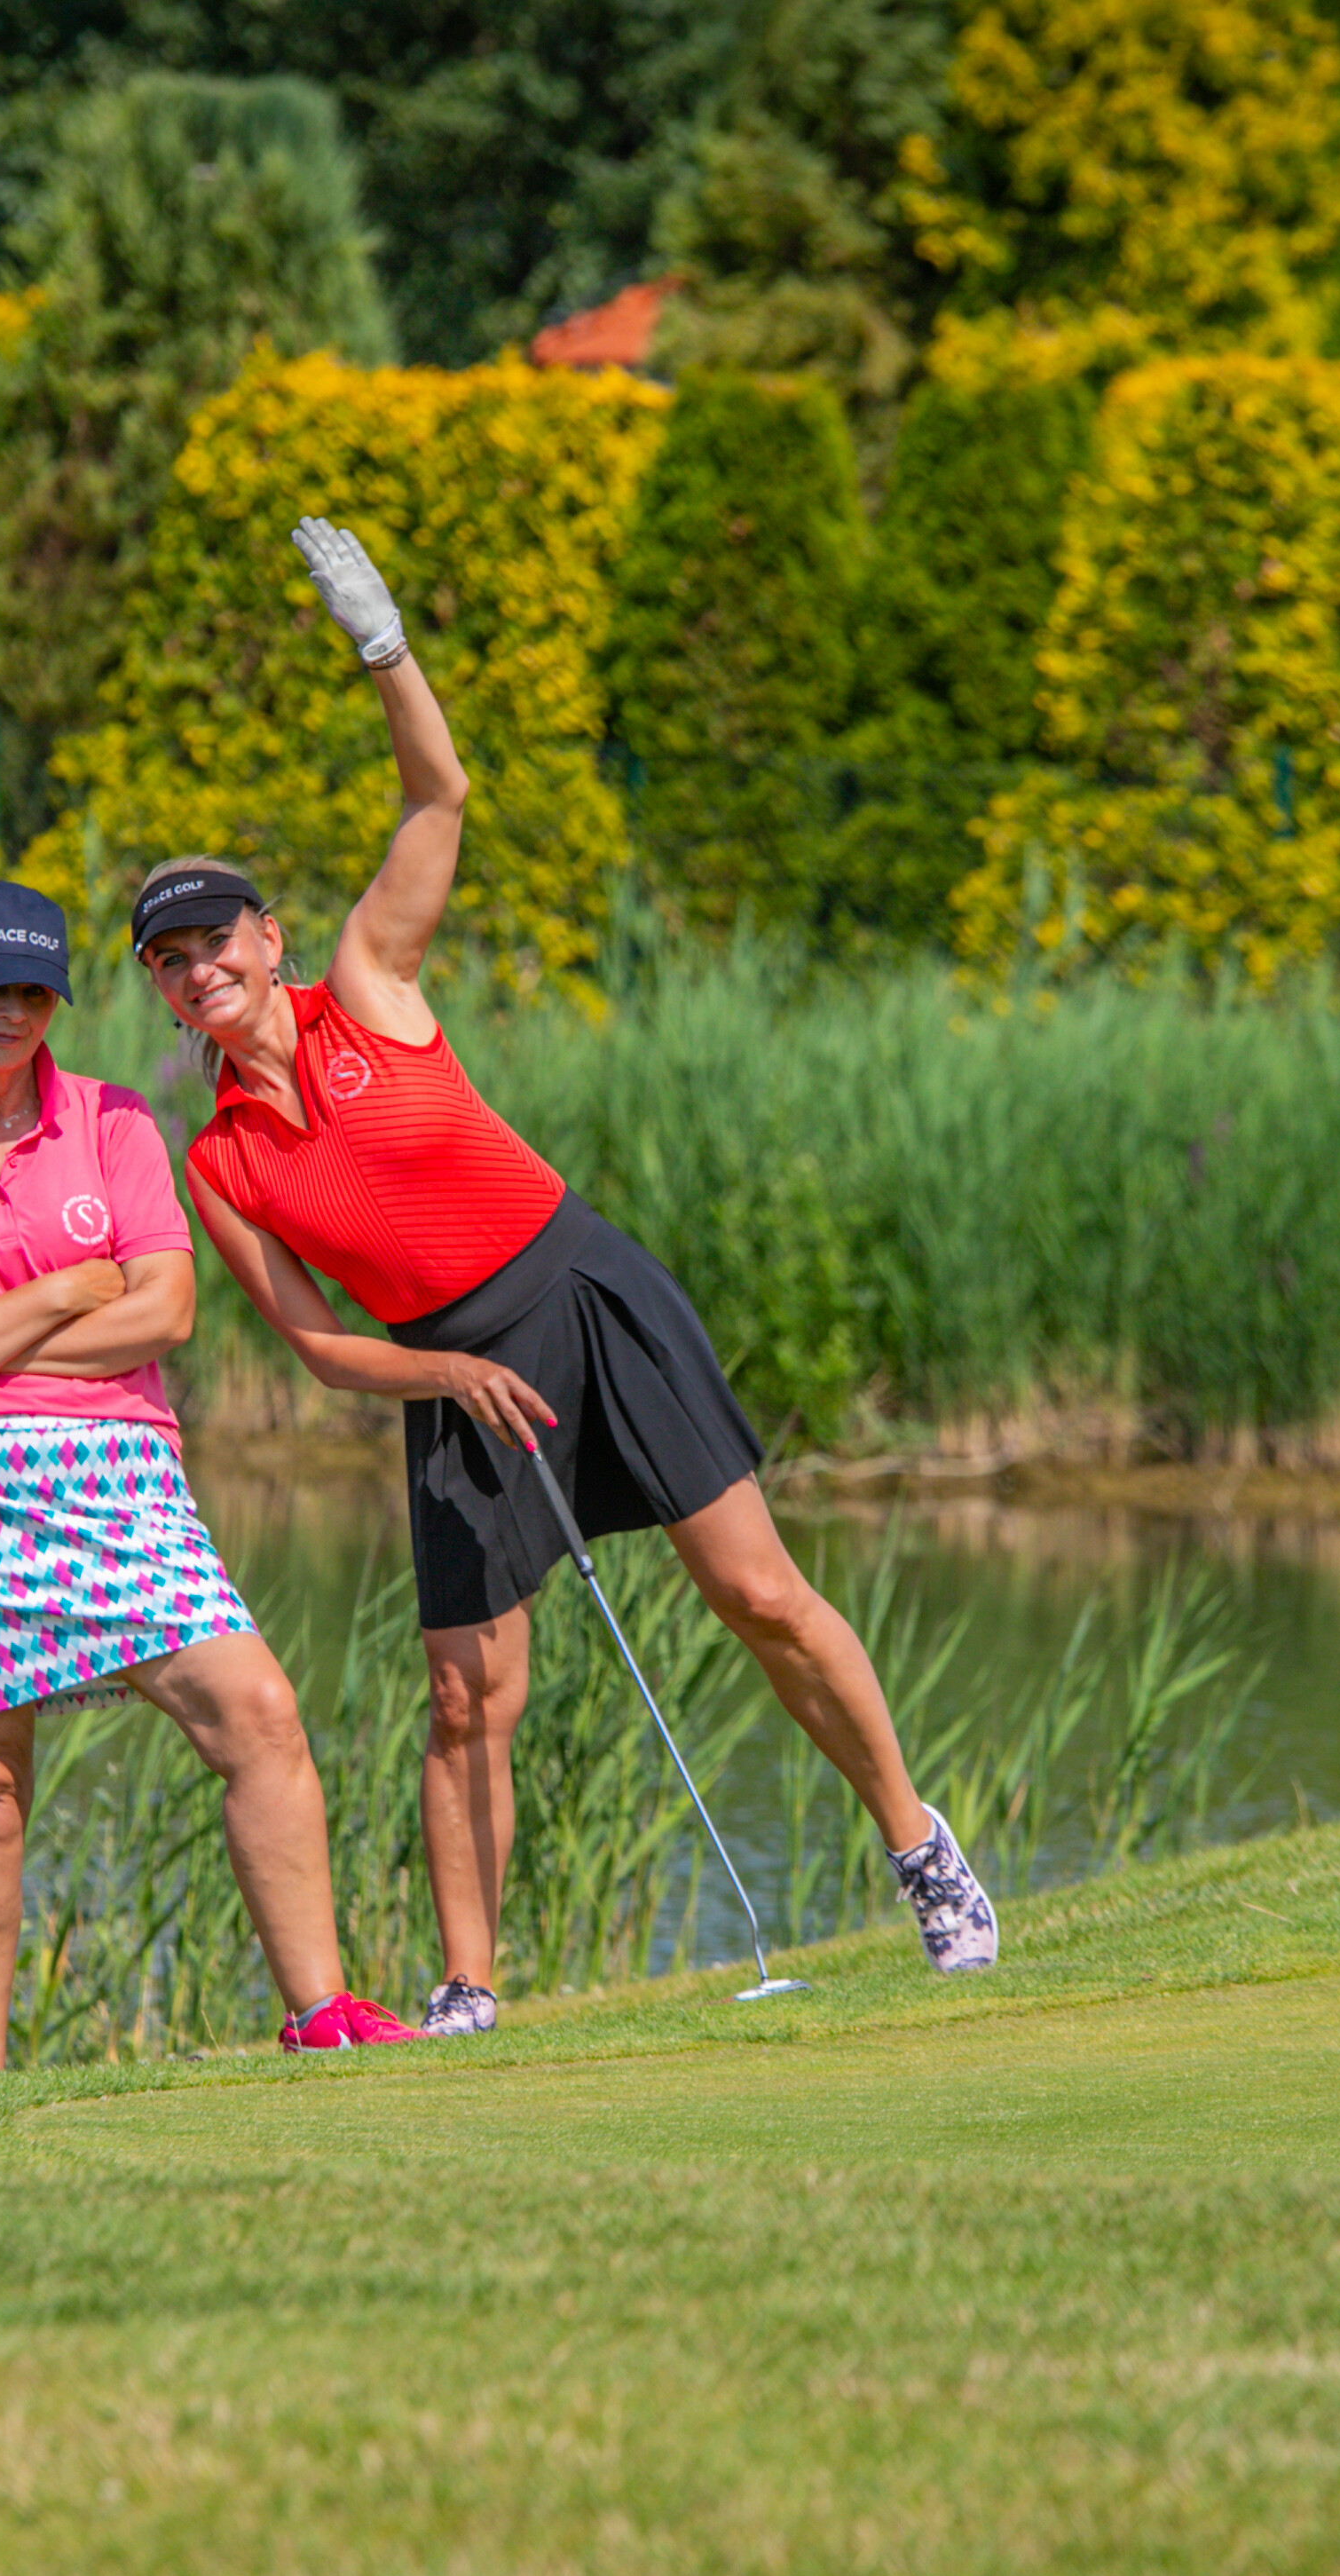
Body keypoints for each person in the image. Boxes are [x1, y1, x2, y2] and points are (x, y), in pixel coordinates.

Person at [132, 518, 998, 2038]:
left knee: (758, 1594)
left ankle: (920, 1847)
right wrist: (444, 1373)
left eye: (218, 939)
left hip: (585, 1298)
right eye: (168, 957)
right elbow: (319, 1349)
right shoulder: (217, 1159)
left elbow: (441, 796)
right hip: (448, 1370)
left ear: (270, 940)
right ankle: (469, 1986)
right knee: (469, 1696)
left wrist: (385, 648)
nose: (200, 967)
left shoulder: (370, 984)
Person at [0, 879, 419, 2068]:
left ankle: (320, 2016)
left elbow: (165, 1314)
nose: (14, 1010)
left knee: (259, 1713)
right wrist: (60, 1291)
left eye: (37, 989)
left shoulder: (113, 1123)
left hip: (118, 1472)